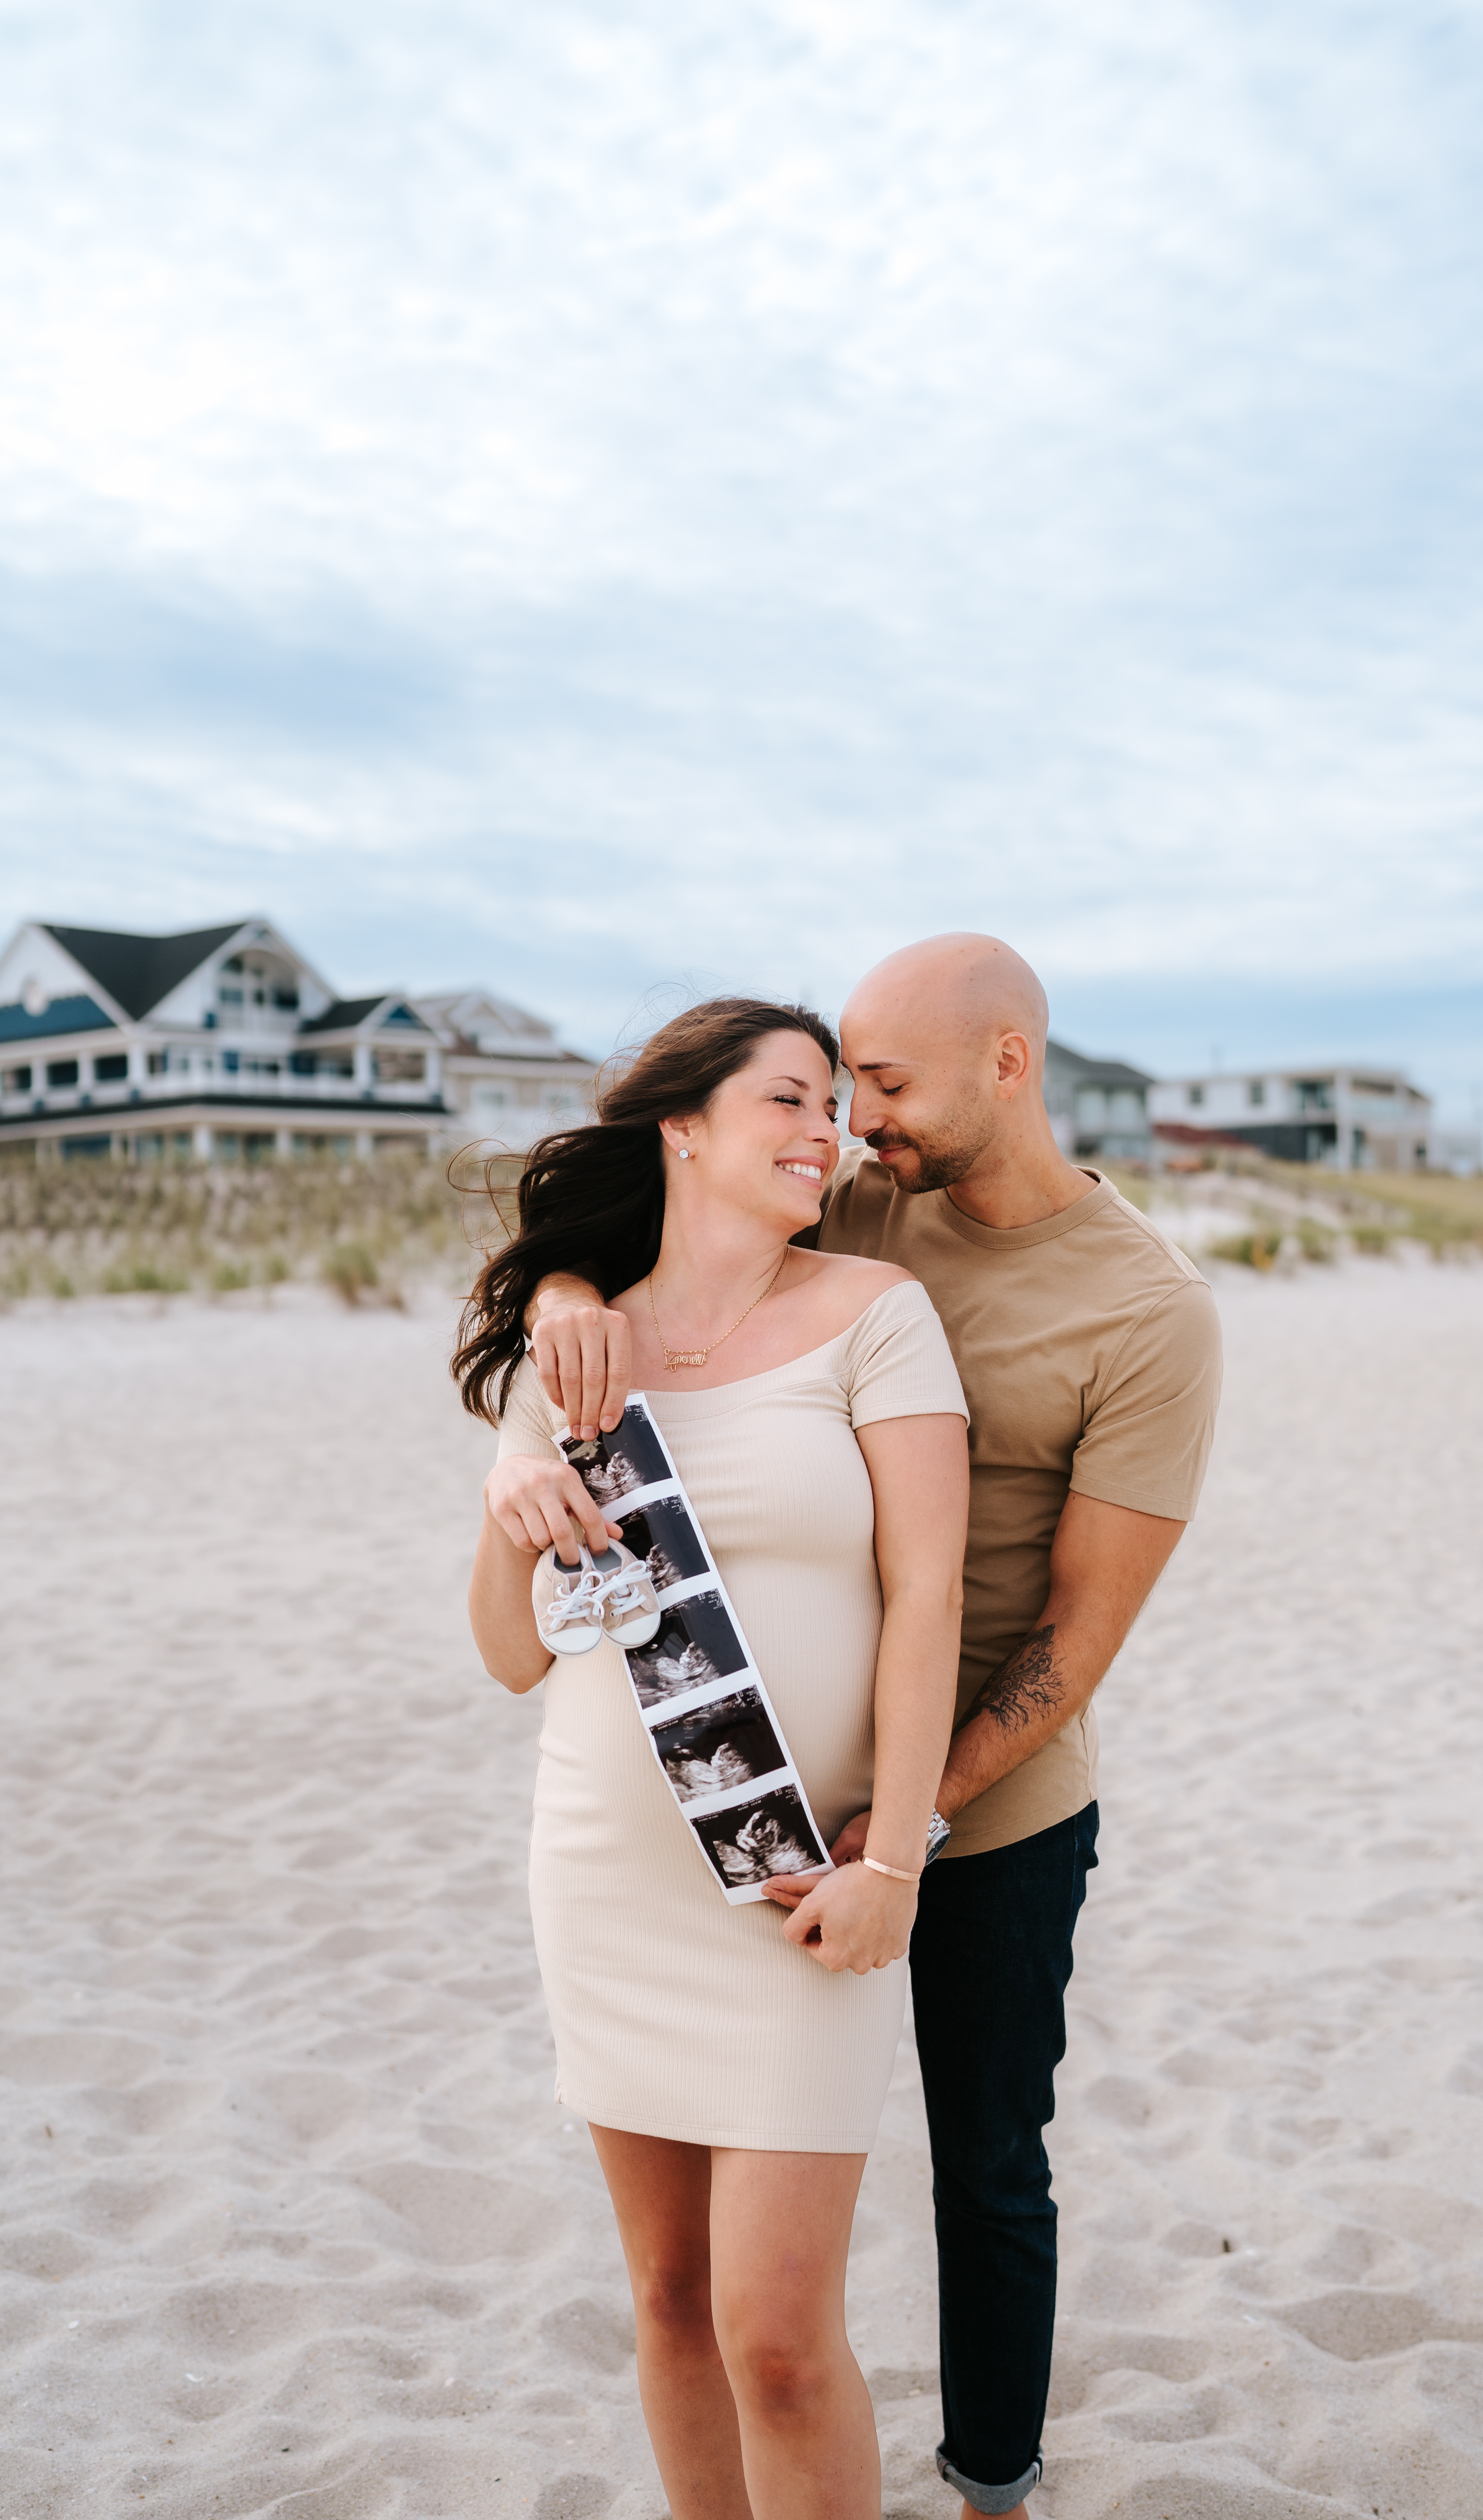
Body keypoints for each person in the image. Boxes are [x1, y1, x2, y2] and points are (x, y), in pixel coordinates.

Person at [528, 935, 1223, 2519]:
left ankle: (992, 2484)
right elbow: (649, 1227)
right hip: (780, 1788)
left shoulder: (1149, 1313)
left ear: (1009, 1065)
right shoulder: (857, 1204)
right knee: (722, 2277)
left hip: (996, 1782)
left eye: (887, 1086)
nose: (858, 1123)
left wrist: (902, 1829)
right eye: (843, 1087)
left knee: (986, 2167)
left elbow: (1077, 1634)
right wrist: (569, 1293)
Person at [457, 996, 969, 2520]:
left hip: (799, 1884)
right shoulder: (579, 1343)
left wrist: (896, 1862)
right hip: (610, 1872)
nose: (832, 1133)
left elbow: (929, 1591)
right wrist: (515, 1498)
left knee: (780, 2333)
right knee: (672, 2300)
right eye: (791, 1102)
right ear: (682, 1125)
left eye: (836, 1108)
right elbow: (509, 1652)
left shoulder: (878, 1311)